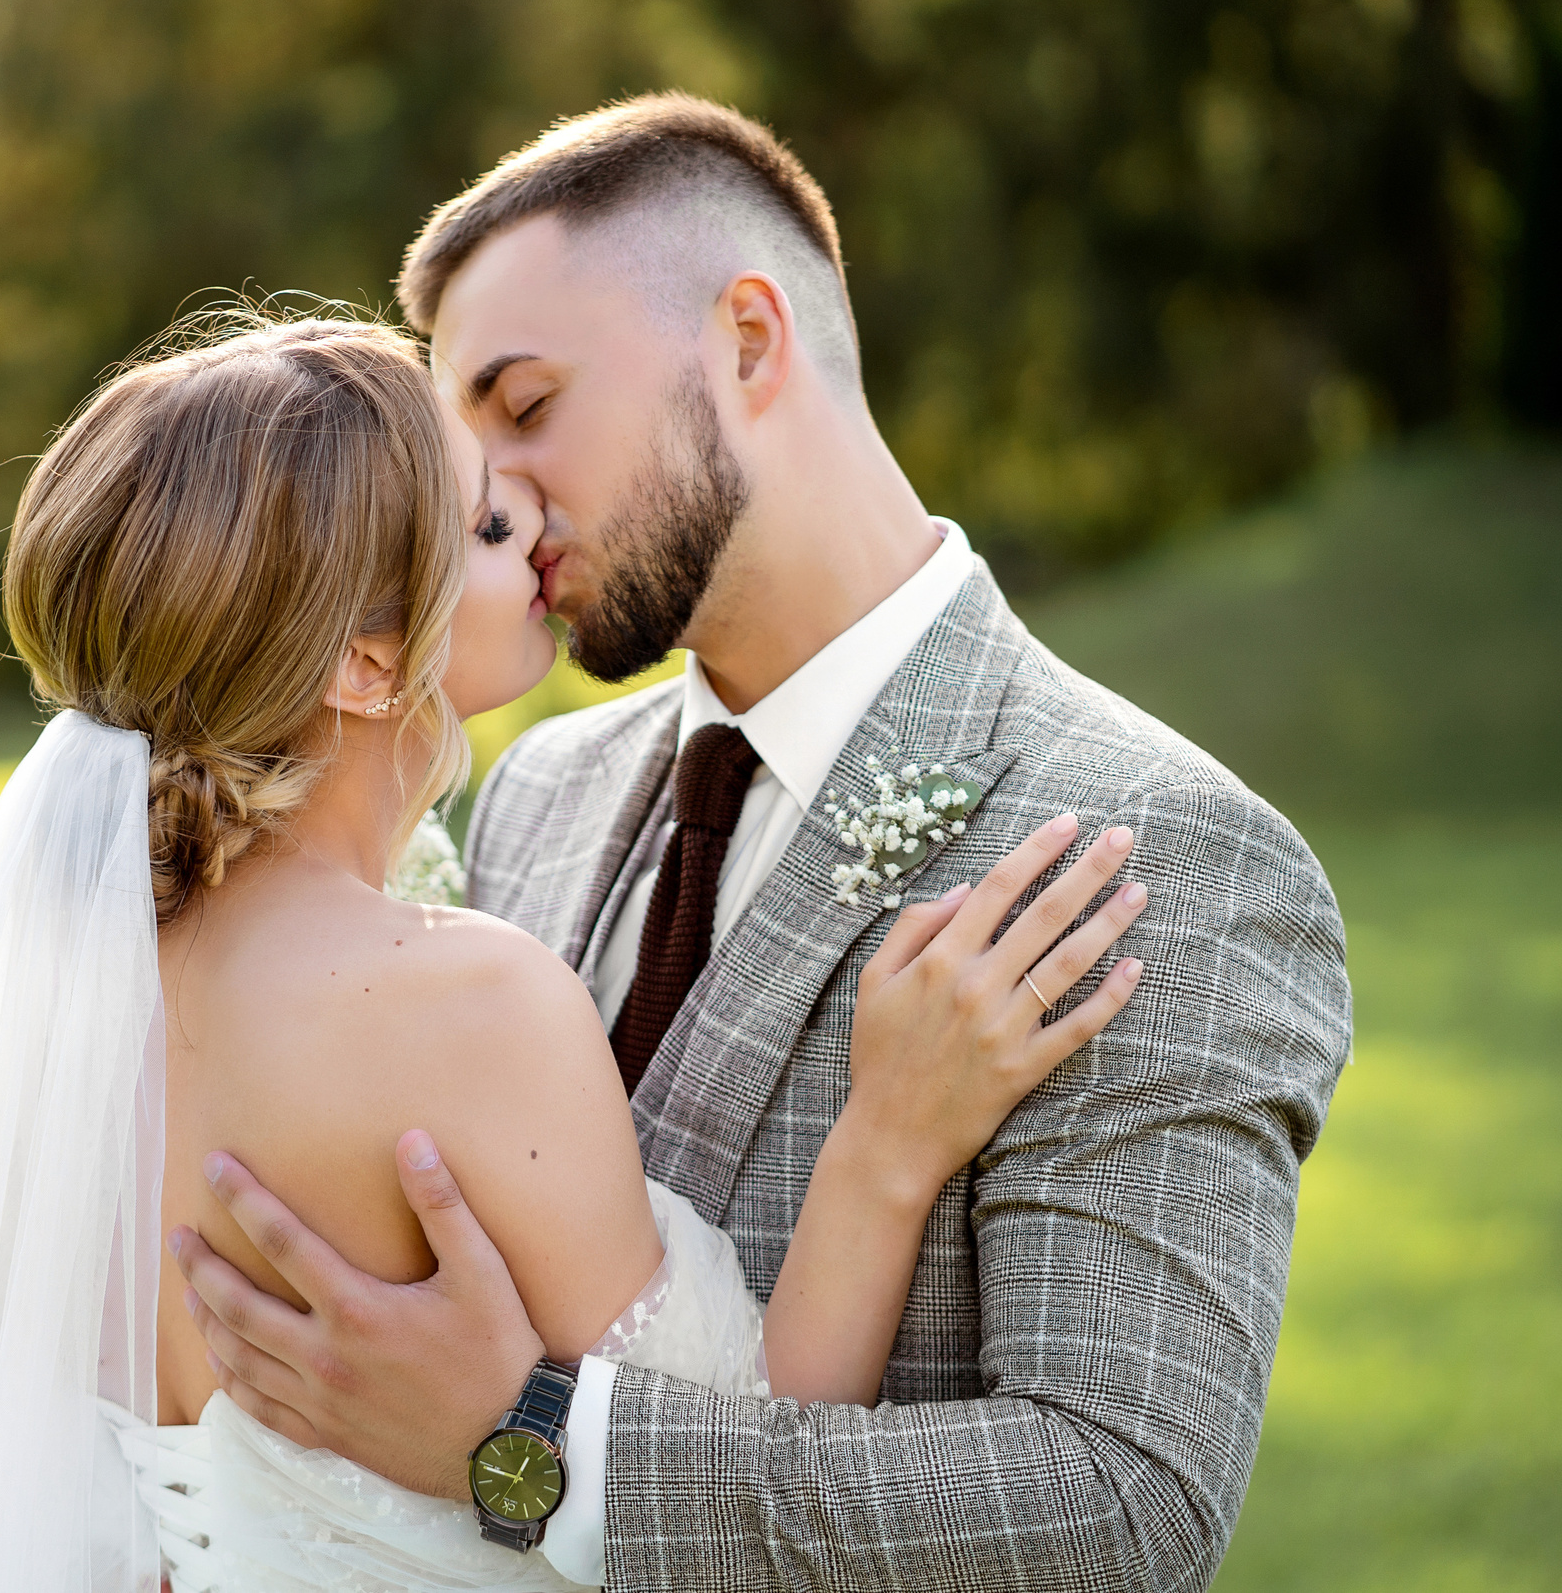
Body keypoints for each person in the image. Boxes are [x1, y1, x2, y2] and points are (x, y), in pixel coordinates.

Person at [0, 309, 1156, 1592]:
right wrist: (892, 1141)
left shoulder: (65, 1006)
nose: (537, 526)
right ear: (364, 664)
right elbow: (749, 1454)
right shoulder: (466, 1001)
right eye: (485, 529)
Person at [169, 95, 1355, 1591]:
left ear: (747, 337)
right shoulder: (531, 792)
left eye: (526, 409)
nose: (504, 504)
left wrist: (523, 1447)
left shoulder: (1155, 856)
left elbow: (1117, 1511)